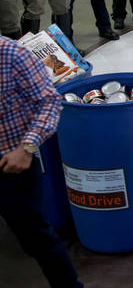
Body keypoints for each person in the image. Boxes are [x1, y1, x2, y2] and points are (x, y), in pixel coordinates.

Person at [0, 36, 82, 288]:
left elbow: (49, 101)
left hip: (11, 164)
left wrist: (27, 148)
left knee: (35, 237)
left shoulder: (12, 55)